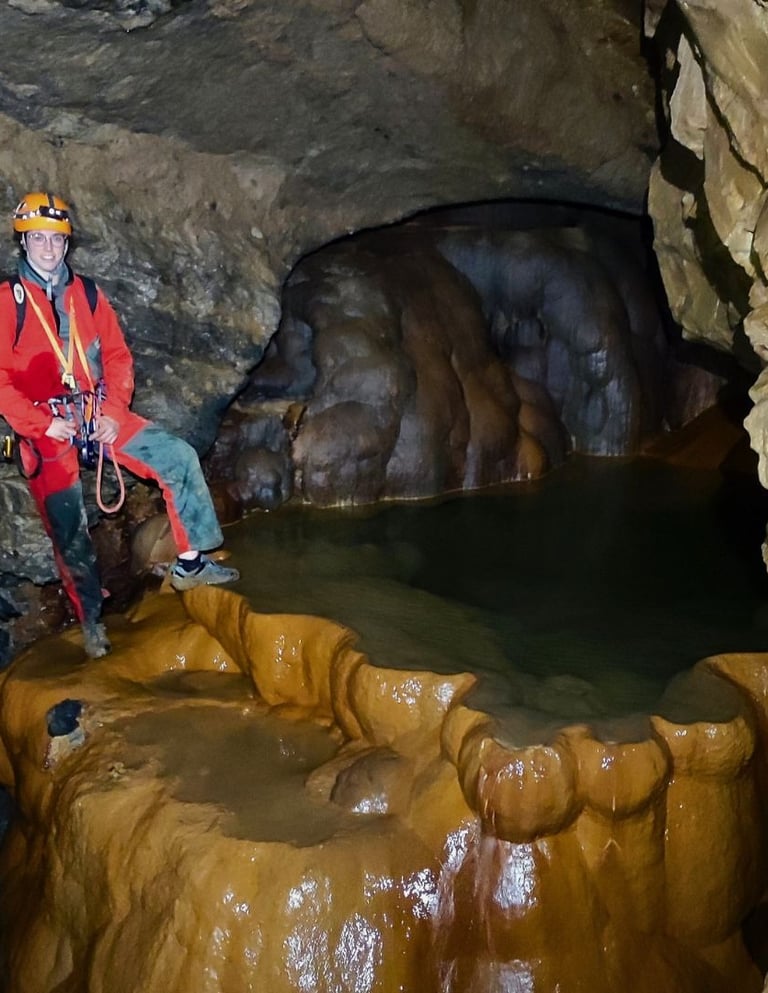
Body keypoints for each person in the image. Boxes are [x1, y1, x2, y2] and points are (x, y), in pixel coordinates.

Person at [0, 192, 239, 658]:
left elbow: (116, 356)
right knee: (67, 524)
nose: (49, 249)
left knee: (177, 456)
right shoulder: (9, 302)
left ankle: (191, 562)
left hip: (97, 411)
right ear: (23, 243)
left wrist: (112, 413)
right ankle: (90, 618)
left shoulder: (87, 294)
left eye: (57, 240)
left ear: (66, 245)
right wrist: (40, 424)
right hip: (47, 426)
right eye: (38, 240)